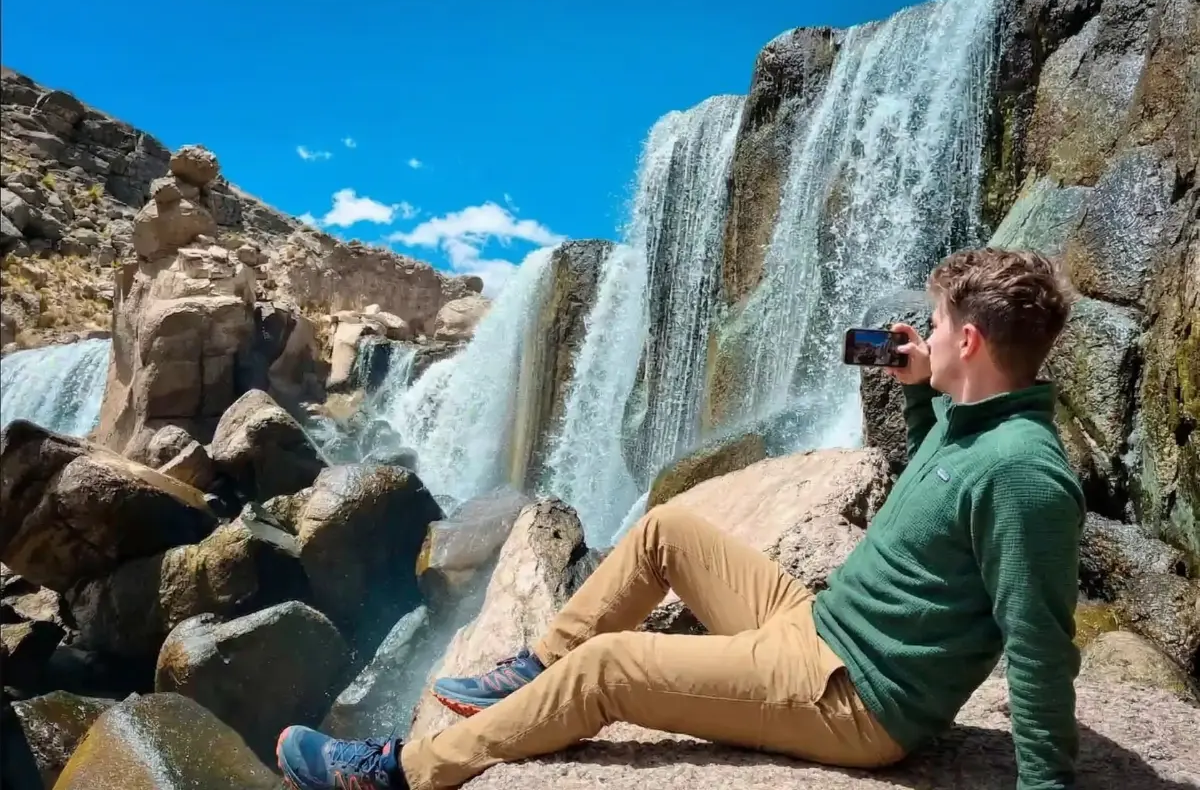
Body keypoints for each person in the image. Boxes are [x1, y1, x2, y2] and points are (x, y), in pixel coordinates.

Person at [276, 247, 1085, 790]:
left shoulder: (1024, 473)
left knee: (613, 668)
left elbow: (1042, 648)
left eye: (939, 326)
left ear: (971, 340)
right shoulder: (970, 423)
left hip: (855, 697)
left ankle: (399, 772)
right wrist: (916, 390)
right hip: (820, 625)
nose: (927, 335)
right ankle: (530, 670)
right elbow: (935, 482)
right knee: (666, 532)